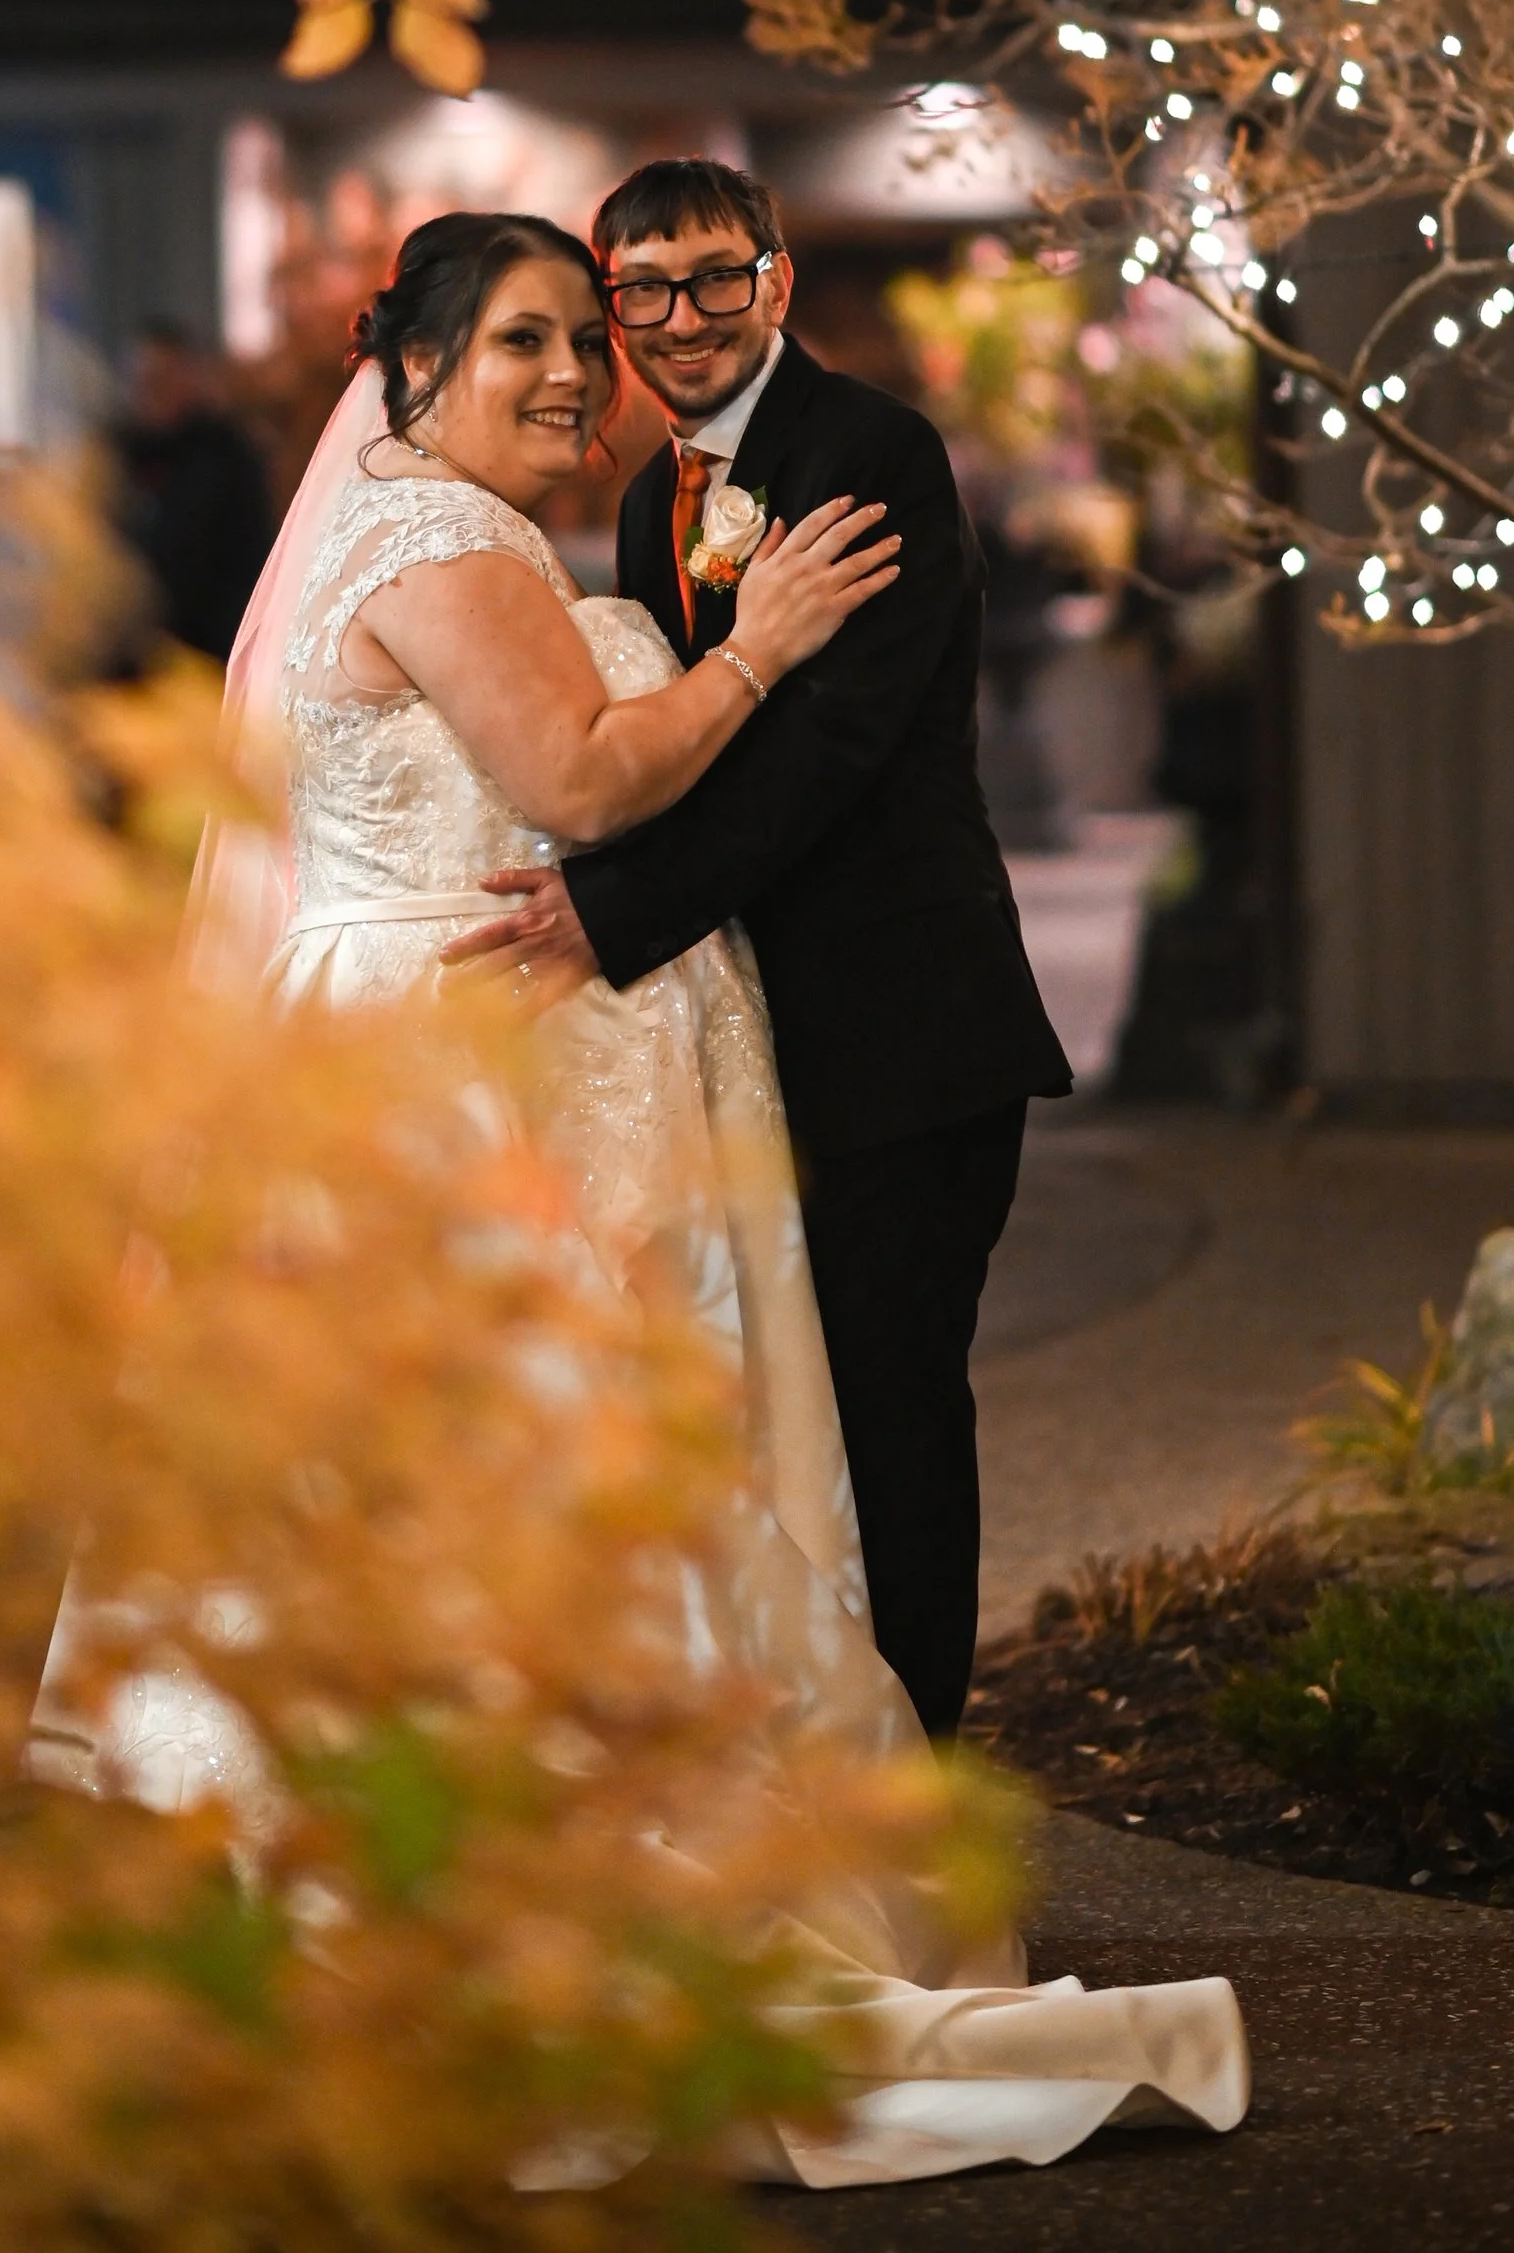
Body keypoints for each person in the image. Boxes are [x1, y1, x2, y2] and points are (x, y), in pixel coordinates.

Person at [40, 211, 1245, 2188]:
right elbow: (589, 780)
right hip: (461, 1085)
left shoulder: (520, 525)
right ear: (408, 367)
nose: (568, 374)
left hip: (518, 1075)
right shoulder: (436, 544)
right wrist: (759, 643)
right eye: (519, 340)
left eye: (577, 344)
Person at [445, 163, 1071, 1744]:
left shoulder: (868, 455)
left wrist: (615, 913)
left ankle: (920, 1781)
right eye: (639, 289)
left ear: (776, 284)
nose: (677, 320)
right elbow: (676, 743)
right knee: (807, 1424)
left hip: (903, 1029)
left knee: (895, 1416)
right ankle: (828, 1768)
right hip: (774, 1034)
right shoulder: (661, 495)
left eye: (714, 278)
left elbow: (830, 753)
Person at [111, 319, 276, 665]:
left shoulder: (229, 457)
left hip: (206, 652)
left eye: (162, 379)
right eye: (141, 380)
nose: (150, 391)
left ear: (190, 378)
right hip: (128, 654)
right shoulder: (116, 455)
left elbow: (248, 559)